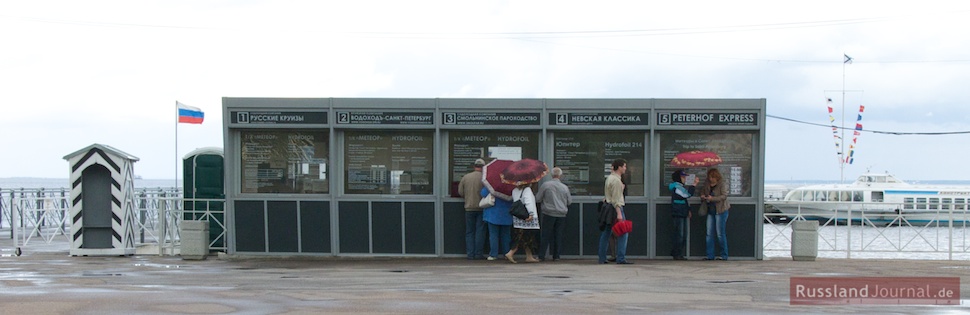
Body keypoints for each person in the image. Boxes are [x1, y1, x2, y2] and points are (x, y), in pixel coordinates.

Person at [598, 158, 631, 264]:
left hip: (607, 207)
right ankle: (621, 258)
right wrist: (619, 213)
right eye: (624, 166)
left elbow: (609, 195)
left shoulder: (609, 178)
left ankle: (602, 258)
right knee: (623, 233)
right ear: (620, 167)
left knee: (606, 233)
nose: (625, 168)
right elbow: (616, 199)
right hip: (615, 208)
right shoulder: (617, 180)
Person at [535, 167, 572, 261]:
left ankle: (541, 255)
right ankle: (556, 256)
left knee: (545, 235)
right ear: (560, 176)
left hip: (548, 213)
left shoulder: (545, 185)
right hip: (561, 214)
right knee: (558, 235)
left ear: (552, 175)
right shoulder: (565, 187)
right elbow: (569, 201)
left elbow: (538, 198)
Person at [699, 168, 731, 260]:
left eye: (712, 177)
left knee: (720, 234)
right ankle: (710, 255)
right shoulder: (707, 184)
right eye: (709, 177)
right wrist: (703, 196)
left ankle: (724, 255)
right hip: (710, 210)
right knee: (709, 234)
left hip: (720, 210)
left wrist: (712, 198)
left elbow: (724, 196)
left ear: (716, 177)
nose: (711, 179)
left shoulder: (722, 184)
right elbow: (702, 191)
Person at [457, 158, 486, 260]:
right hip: (481, 207)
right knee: (480, 231)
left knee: (469, 232)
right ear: (483, 167)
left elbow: (460, 192)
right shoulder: (484, 178)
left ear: (474, 166)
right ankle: (478, 254)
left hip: (469, 207)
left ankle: (470, 254)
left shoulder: (466, 177)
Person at [505, 183, 540, 263]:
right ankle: (510, 253)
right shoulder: (527, 190)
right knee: (523, 236)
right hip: (527, 216)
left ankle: (529, 256)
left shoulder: (515, 190)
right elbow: (528, 202)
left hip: (519, 216)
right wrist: (531, 214)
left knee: (525, 236)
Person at [669, 169, 698, 260]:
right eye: (683, 177)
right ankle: (677, 253)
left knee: (682, 234)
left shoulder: (679, 187)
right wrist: (694, 185)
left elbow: (684, 200)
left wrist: (688, 209)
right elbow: (687, 195)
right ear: (679, 178)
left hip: (682, 212)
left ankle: (679, 253)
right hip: (678, 212)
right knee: (679, 235)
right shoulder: (677, 187)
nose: (685, 178)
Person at [481, 187, 512, 261]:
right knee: (506, 235)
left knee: (493, 235)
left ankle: (493, 254)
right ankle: (506, 253)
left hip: (493, 213)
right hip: (506, 213)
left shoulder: (491, 184)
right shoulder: (509, 186)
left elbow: (483, 193)